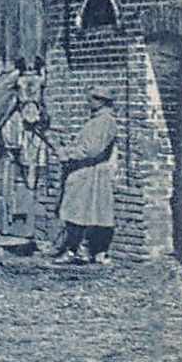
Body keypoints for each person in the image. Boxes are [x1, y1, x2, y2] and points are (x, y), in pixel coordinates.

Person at [49, 86, 119, 266]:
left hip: (91, 173)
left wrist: (68, 153)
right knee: (80, 212)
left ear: (101, 101)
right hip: (85, 172)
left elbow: (93, 149)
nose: (89, 103)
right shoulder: (96, 121)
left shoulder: (105, 122)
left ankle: (76, 251)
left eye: (92, 99)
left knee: (79, 212)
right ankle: (83, 250)